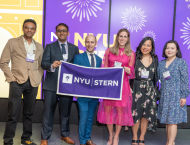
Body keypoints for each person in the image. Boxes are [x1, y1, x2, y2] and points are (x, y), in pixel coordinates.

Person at [0, 19, 44, 145]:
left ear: (35, 30)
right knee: (12, 113)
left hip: (33, 83)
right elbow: (3, 62)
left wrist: (38, 77)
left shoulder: (39, 46)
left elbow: (41, 65)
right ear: (23, 28)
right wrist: (11, 78)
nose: (29, 30)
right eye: (27, 27)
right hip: (17, 82)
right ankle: (8, 140)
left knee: (29, 113)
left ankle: (26, 139)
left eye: (32, 28)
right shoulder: (12, 42)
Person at [40, 23, 79, 145]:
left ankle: (65, 135)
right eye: (59, 31)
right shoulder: (49, 46)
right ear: (56, 33)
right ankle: (45, 138)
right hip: (51, 85)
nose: (61, 33)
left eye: (64, 31)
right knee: (48, 113)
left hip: (67, 86)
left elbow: (77, 67)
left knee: (65, 112)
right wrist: (52, 65)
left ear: (68, 32)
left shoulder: (74, 48)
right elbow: (43, 64)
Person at [97, 28, 135, 145]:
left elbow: (132, 71)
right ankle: (110, 134)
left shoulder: (131, 53)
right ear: (117, 37)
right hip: (110, 86)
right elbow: (104, 67)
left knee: (120, 112)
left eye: (125, 36)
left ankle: (116, 137)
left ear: (128, 39)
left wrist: (129, 70)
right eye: (120, 36)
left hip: (123, 86)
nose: (122, 38)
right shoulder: (109, 51)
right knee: (108, 111)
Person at [157, 40, 190, 145]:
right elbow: (157, 78)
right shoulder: (161, 64)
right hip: (164, 95)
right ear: (164, 50)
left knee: (172, 121)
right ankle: (170, 142)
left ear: (176, 50)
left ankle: (169, 143)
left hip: (176, 95)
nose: (169, 50)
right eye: (167, 48)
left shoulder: (181, 62)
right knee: (167, 121)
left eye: (172, 48)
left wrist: (184, 96)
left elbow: (185, 80)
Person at [73, 35, 102, 145]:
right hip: (82, 95)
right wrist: (75, 93)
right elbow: (75, 75)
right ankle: (82, 141)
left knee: (90, 118)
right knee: (84, 118)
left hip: (94, 95)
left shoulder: (99, 60)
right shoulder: (78, 58)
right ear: (85, 43)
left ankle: (87, 138)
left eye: (92, 42)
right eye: (88, 42)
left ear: (95, 43)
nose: (90, 44)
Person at [131, 37, 158, 145]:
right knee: (135, 113)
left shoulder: (155, 58)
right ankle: (134, 136)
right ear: (140, 45)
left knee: (146, 115)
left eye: (148, 45)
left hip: (149, 89)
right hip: (136, 88)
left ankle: (142, 137)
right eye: (144, 44)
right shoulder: (135, 57)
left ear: (151, 47)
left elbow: (156, 75)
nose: (145, 47)